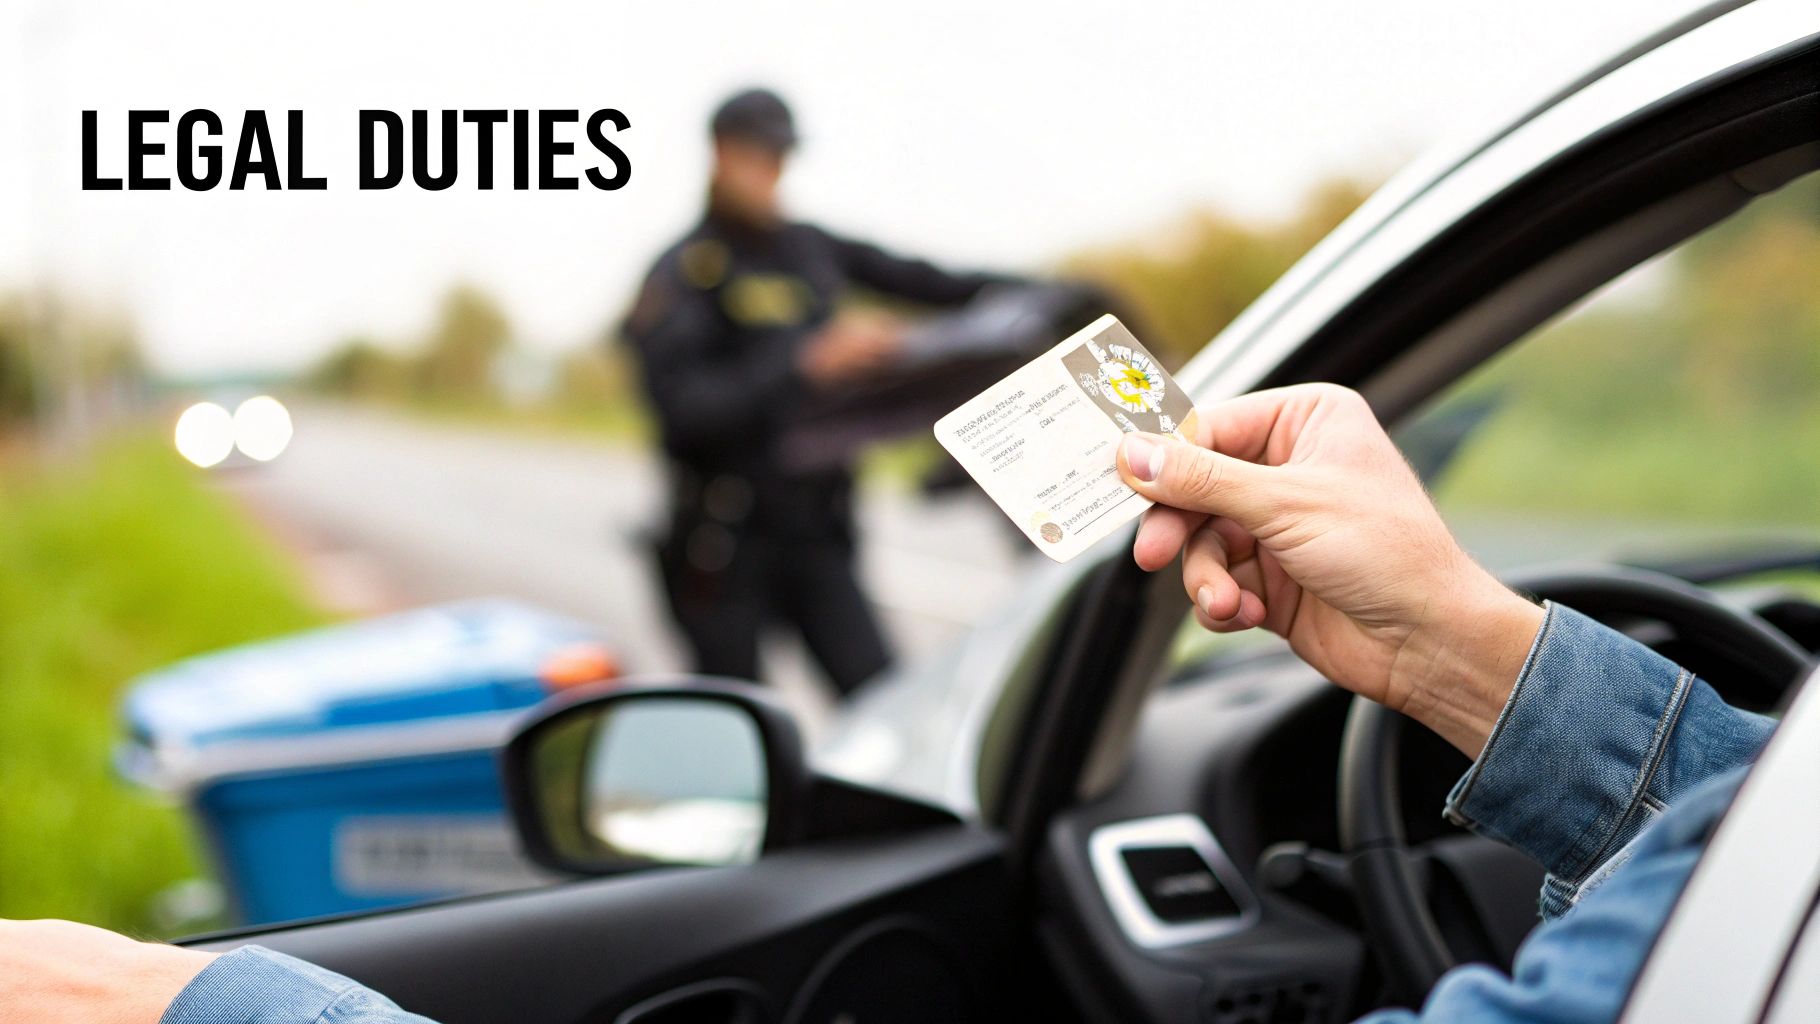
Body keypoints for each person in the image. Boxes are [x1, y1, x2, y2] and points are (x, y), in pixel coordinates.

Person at [0, 383, 1792, 1023]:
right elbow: (1761, 820)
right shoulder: (694, 287)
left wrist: (210, 1003)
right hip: (729, 538)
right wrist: (1468, 654)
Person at [623, 87, 1020, 697]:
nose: (771, 175)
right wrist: (804, 362)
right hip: (724, 547)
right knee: (738, 721)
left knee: (883, 706)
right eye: (758, 157)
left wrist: (1041, 290)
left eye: (780, 160)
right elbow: (684, 413)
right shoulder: (684, 272)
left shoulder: (810, 248)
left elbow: (928, 280)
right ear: (721, 155)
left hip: (816, 537)